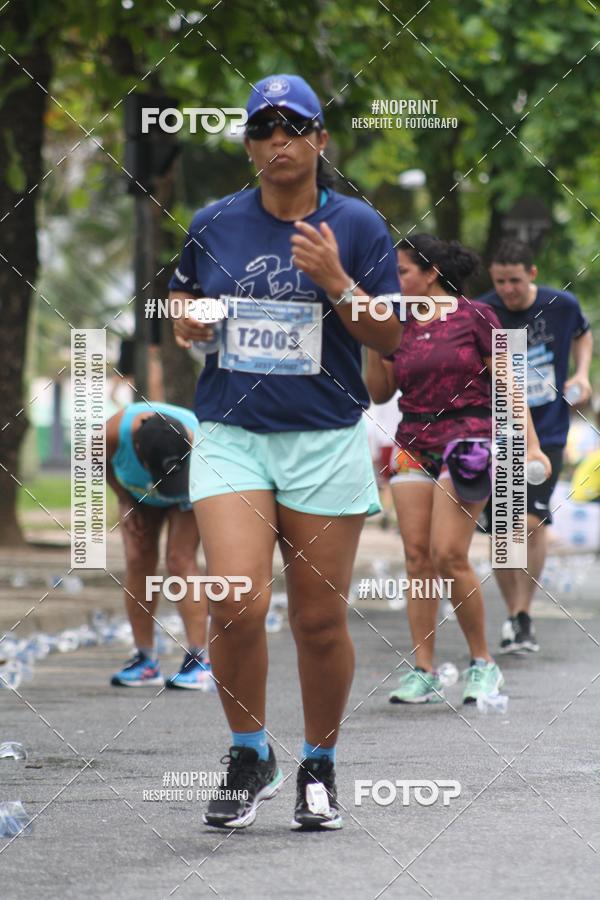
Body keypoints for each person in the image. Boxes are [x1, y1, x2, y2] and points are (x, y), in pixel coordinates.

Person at [169, 73, 402, 831]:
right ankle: (247, 753)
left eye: (294, 127)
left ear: (319, 141)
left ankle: (320, 765)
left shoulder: (361, 227)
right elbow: (181, 298)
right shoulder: (215, 222)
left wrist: (336, 281)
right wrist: (189, 321)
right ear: (248, 143)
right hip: (234, 438)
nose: (279, 140)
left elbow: (391, 338)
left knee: (319, 622)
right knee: (235, 600)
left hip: (324, 439)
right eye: (264, 128)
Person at [366, 235, 550, 705]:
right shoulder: (398, 324)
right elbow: (380, 393)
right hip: (412, 443)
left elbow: (510, 385)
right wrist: (372, 338)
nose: (395, 280)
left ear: (430, 273)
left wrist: (531, 446)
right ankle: (424, 670)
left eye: (403, 271)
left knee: (448, 554)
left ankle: (484, 664)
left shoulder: (478, 316)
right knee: (417, 560)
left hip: (469, 441)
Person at [479, 239, 593, 654]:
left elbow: (584, 334)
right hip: (499, 433)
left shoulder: (561, 305)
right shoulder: (483, 312)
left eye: (514, 280)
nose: (507, 289)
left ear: (532, 274)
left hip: (548, 431)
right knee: (503, 531)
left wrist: (582, 374)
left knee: (531, 523)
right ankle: (513, 615)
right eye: (499, 281)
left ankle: (524, 613)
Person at [106, 402, 210, 689]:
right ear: (138, 451)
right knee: (138, 558)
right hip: (139, 495)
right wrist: (124, 500)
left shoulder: (201, 440)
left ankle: (198, 661)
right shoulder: (111, 434)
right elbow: (95, 463)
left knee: (180, 560)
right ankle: (145, 659)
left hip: (188, 492)